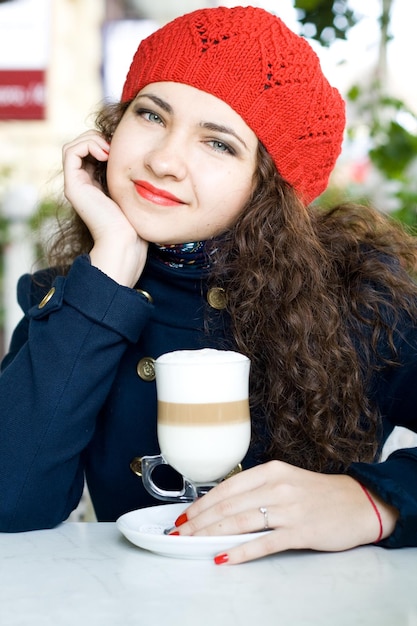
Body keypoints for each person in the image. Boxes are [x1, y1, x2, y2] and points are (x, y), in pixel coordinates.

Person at [1, 6, 417, 565]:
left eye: (218, 143)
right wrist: (110, 273)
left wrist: (371, 502)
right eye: (150, 115)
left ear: (270, 188)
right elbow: (11, 502)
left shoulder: (360, 294)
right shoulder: (75, 298)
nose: (164, 160)